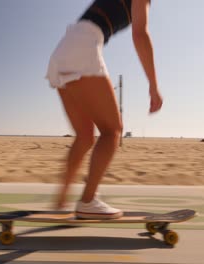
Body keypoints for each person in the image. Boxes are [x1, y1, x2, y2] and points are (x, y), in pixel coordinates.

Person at [46, 0, 163, 219]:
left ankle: (61, 199)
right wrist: (153, 86)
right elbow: (140, 34)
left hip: (62, 51)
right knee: (112, 131)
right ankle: (88, 201)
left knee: (85, 136)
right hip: (83, 45)